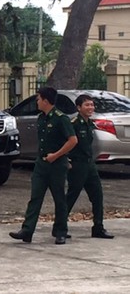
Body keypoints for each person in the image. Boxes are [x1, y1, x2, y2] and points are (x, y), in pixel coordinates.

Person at [9, 86, 77, 245]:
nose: (37, 102)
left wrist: (58, 155)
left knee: (59, 199)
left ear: (46, 100)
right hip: (41, 164)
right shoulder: (41, 118)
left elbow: (73, 140)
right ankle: (27, 230)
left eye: (39, 99)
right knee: (35, 198)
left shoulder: (61, 118)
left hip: (56, 164)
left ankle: (61, 231)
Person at [66, 94, 114, 239]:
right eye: (87, 105)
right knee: (71, 196)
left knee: (97, 195)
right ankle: (60, 227)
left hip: (89, 164)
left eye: (92, 105)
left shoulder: (89, 123)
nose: (90, 108)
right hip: (77, 164)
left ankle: (98, 227)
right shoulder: (74, 124)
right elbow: (65, 143)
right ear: (79, 107)